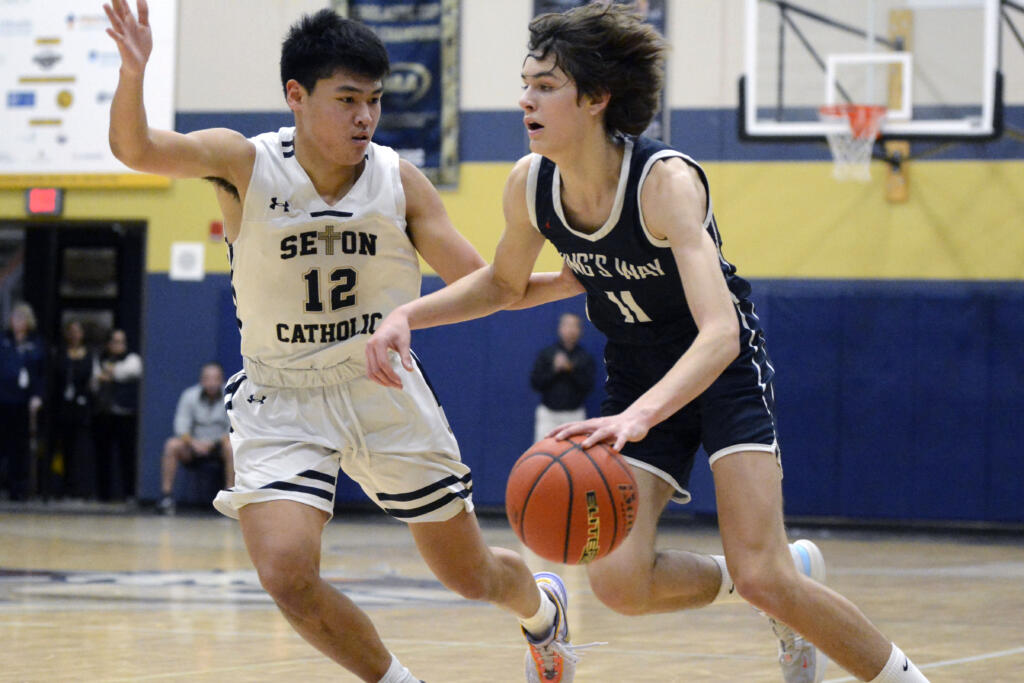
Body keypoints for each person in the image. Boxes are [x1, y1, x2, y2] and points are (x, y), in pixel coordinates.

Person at [365, 4, 929, 682]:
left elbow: (720, 332)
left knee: (765, 574)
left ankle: (880, 657)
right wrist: (407, 317)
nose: (525, 99)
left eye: (545, 85)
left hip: (721, 370)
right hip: (636, 372)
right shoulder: (531, 184)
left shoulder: (666, 183)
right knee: (618, 583)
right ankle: (775, 580)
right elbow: (504, 285)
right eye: (525, 82)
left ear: (597, 98)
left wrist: (642, 416)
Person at [104, 2, 587, 681]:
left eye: (375, 101)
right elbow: (136, 149)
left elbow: (489, 285)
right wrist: (133, 73)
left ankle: (542, 610)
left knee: (471, 575)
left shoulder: (398, 181)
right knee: (285, 573)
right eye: (348, 99)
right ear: (296, 98)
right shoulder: (243, 164)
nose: (365, 117)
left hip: (382, 390)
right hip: (281, 396)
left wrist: (575, 282)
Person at [157, 361, 233, 516]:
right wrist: (193, 443)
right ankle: (167, 498)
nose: (211, 383)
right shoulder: (189, 396)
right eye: (207, 378)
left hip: (219, 445)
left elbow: (233, 427)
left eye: (215, 378)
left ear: (222, 380)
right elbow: (181, 426)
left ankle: (229, 498)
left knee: (231, 446)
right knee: (172, 445)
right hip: (193, 445)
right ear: (201, 380)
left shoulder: (231, 396)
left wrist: (214, 443)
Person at [0, 302, 45, 501]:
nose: (17, 322)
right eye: (15, 318)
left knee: (20, 446)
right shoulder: (3, 340)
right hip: (3, 399)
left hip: (24, 402)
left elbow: (41, 373)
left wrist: (38, 395)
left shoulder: (35, 343)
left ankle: (18, 488)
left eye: (21, 318)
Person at [92, 328, 142, 501]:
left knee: (126, 454)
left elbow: (131, 371)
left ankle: (129, 493)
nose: (118, 345)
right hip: (103, 413)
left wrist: (110, 374)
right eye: (114, 341)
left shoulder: (132, 358)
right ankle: (103, 495)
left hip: (125, 413)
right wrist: (106, 375)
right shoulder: (100, 358)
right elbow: (95, 378)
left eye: (121, 342)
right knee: (102, 455)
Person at [530, 312, 595, 442]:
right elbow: (535, 383)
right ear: (560, 328)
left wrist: (570, 369)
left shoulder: (585, 357)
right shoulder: (547, 354)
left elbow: (588, 386)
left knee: (574, 456)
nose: (570, 330)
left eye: (574, 326)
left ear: (580, 330)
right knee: (543, 455)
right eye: (567, 325)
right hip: (549, 414)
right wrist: (554, 370)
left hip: (574, 415)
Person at [52, 319, 96, 499]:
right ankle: (62, 487)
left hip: (82, 406)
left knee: (81, 448)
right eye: (71, 331)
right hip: (64, 407)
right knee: (64, 448)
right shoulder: (60, 353)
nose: (75, 335)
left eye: (78, 331)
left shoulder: (89, 355)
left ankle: (81, 488)